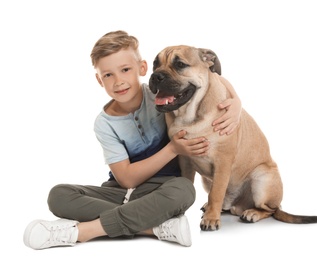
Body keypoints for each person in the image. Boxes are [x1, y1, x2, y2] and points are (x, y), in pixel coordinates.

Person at [23, 30, 242, 250]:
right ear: (99, 80)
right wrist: (173, 149)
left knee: (184, 190)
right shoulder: (104, 123)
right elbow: (127, 180)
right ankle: (153, 228)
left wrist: (236, 102)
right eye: (108, 75)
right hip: (122, 192)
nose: (119, 81)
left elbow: (210, 80)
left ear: (142, 69)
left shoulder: (162, 99)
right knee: (59, 195)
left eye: (125, 70)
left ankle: (83, 232)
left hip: (165, 189)